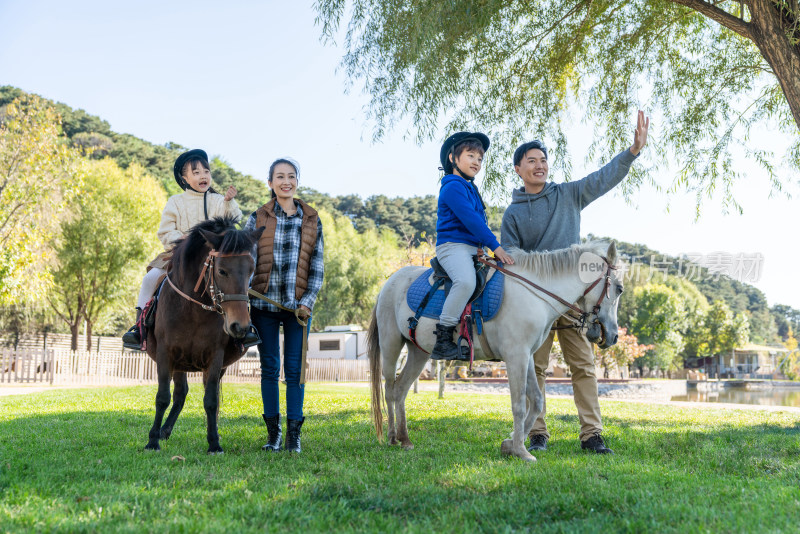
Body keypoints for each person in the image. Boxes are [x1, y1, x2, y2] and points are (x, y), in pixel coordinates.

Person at [501, 110, 650, 454]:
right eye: (531, 161)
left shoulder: (568, 195)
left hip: (575, 300)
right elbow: (510, 256)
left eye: (543, 160)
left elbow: (602, 178)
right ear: (518, 169)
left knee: (583, 365)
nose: (539, 165)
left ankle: (592, 435)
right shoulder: (513, 214)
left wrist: (632, 153)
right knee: (533, 368)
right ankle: (537, 433)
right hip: (535, 303)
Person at [121, 149, 253, 350]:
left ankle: (245, 328)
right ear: (184, 178)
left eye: (206, 171)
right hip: (179, 255)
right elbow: (165, 231)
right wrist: (180, 239)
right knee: (149, 279)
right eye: (196, 172)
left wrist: (228, 202)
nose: (203, 176)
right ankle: (139, 329)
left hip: (213, 258)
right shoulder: (175, 201)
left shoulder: (218, 200)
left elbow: (233, 220)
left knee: (238, 278)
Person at [245, 158, 324, 453]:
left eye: (291, 176)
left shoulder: (312, 219)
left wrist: (307, 301)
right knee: (269, 368)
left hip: (297, 309)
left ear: (297, 182)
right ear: (270, 183)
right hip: (263, 305)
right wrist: (246, 292)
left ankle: (294, 436)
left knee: (295, 371)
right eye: (279, 177)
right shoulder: (257, 217)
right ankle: (273, 435)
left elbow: (317, 266)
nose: (285, 181)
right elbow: (246, 258)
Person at [433, 132, 515, 361]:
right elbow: (471, 220)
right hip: (452, 247)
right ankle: (443, 337)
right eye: (470, 156)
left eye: (480, 159)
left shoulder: (471, 189)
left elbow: (478, 224)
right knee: (466, 281)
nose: (476, 162)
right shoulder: (451, 186)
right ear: (453, 158)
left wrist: (482, 247)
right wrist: (495, 247)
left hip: (472, 249)